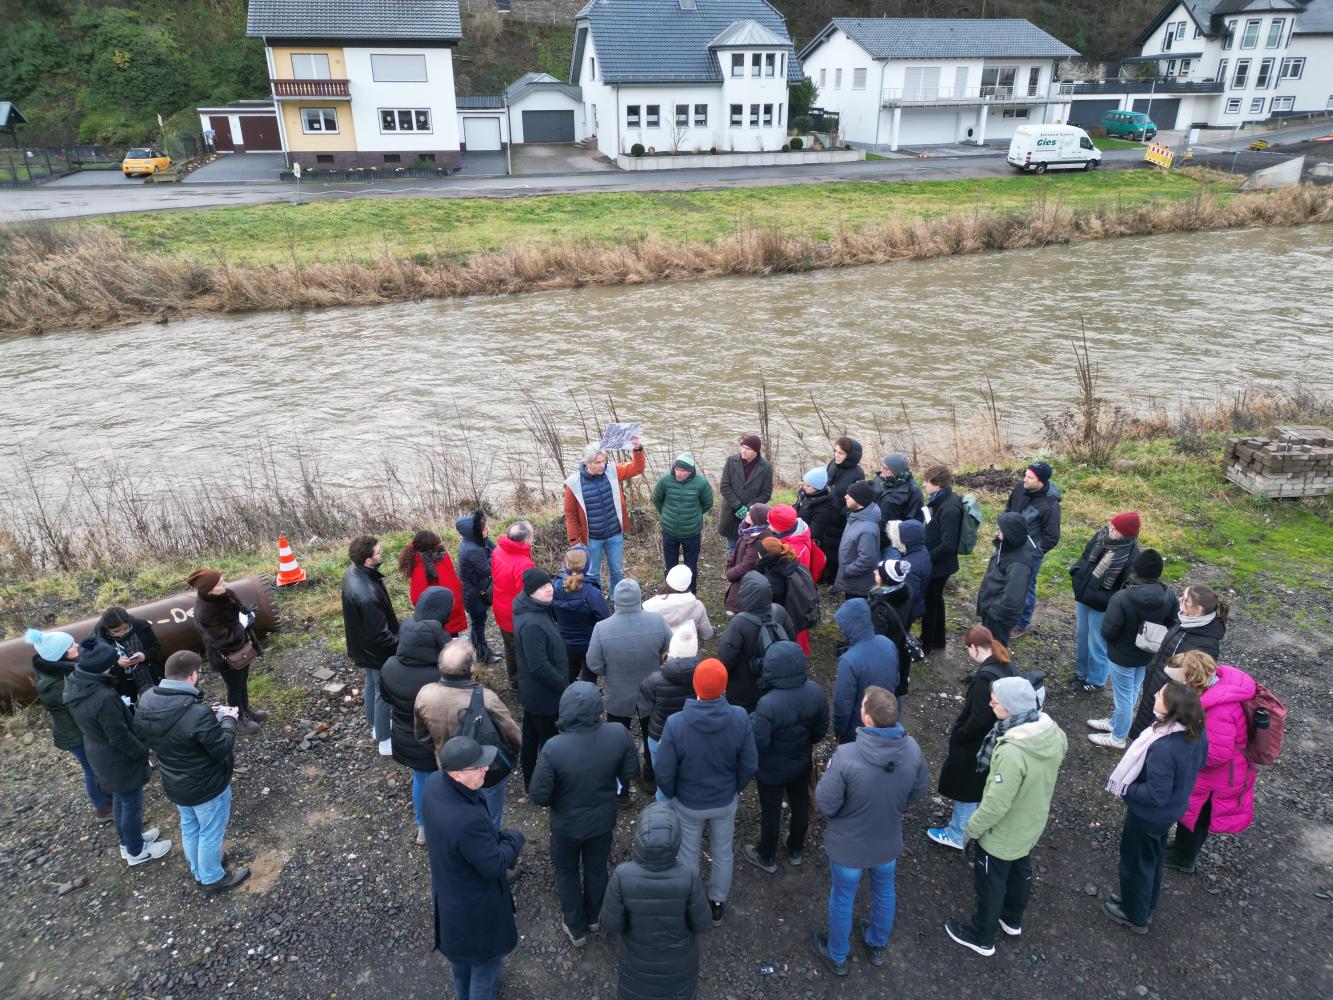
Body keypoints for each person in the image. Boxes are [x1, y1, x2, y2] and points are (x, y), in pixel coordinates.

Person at [945, 676, 1067, 957]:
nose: (990, 703)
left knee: (991, 881)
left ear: (1012, 708)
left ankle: (981, 936)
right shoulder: (1053, 733)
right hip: (1031, 821)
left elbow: (996, 805)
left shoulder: (1013, 752)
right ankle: (1011, 920)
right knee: (1020, 869)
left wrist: (971, 830)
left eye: (996, 701)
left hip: (1003, 832)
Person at [810, 687, 928, 976]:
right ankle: (876, 943)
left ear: (868, 718)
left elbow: (825, 803)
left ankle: (837, 954)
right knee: (884, 892)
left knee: (842, 897)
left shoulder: (846, 756)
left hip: (848, 848)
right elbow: (918, 790)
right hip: (887, 842)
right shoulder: (912, 749)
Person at [529, 682, 639, 947]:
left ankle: (575, 926)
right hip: (602, 820)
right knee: (596, 867)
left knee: (566, 871)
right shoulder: (618, 734)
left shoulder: (554, 747)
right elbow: (631, 772)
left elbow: (539, 795)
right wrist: (614, 789)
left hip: (566, 825)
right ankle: (594, 916)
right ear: (598, 709)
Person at [134, 650, 250, 892]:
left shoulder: (146, 700)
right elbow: (221, 748)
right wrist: (228, 720)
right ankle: (212, 878)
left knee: (190, 825)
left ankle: (199, 869)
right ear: (194, 675)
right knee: (210, 832)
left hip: (175, 782)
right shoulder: (197, 714)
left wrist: (209, 716)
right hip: (206, 786)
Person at [654, 658, 757, 927]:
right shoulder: (739, 717)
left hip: (688, 802)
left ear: (695, 686)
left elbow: (663, 770)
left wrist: (674, 793)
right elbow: (749, 763)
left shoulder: (676, 723)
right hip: (724, 800)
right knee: (723, 851)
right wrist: (735, 787)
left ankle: (691, 903)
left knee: (688, 854)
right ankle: (717, 904)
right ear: (724, 688)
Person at [423, 736, 526, 1000]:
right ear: (457, 774)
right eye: (478, 767)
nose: (486, 769)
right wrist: (514, 838)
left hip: (450, 902)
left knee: (461, 961)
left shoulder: (435, 785)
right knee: (486, 966)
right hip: (475, 911)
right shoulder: (466, 822)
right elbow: (495, 864)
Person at [1103, 682, 1207, 933]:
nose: (1154, 694)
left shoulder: (1163, 747)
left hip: (1149, 815)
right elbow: (1201, 762)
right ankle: (1142, 903)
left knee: (1136, 863)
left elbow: (1155, 795)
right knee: (1153, 858)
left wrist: (1127, 787)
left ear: (1171, 709)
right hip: (1171, 811)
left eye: (1160, 695)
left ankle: (1135, 915)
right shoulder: (1196, 732)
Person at [62, 637, 172, 867]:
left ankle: (128, 841)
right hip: (116, 758)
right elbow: (119, 735)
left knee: (122, 800)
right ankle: (136, 851)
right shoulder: (103, 697)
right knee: (131, 803)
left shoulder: (75, 681)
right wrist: (142, 752)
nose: (113, 665)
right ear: (101, 665)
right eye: (110, 662)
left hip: (99, 752)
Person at [599, 803, 713, 1000]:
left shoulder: (622, 875)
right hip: (679, 968)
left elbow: (612, 923)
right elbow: (702, 923)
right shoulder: (688, 877)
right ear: (677, 839)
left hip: (637, 965)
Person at [1162, 651, 1257, 874]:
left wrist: (1181, 752)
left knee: (1197, 819)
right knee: (1193, 815)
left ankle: (1184, 859)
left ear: (1191, 682)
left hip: (1218, 780)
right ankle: (1182, 849)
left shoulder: (1218, 710)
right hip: (1218, 776)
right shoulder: (1216, 689)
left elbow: (1215, 755)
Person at [415, 639, 521, 829]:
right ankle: (490, 844)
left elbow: (421, 737)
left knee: (458, 810)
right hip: (484, 771)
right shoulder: (487, 698)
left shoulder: (425, 694)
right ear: (472, 667)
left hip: (448, 768)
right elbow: (514, 736)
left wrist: (441, 750)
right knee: (490, 816)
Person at [743, 641, 828, 875]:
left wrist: (751, 721)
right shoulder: (816, 692)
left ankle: (767, 856)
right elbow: (820, 732)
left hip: (771, 769)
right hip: (800, 762)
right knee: (800, 802)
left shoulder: (767, 704)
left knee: (770, 810)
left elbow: (759, 741)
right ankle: (795, 849)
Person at [928, 626, 1015, 850]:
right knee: (979, 786)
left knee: (967, 788)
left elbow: (979, 719)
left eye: (967, 649)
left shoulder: (984, 679)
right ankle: (974, 824)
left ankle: (958, 834)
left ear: (974, 648)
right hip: (995, 742)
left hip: (976, 745)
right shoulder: (1004, 664)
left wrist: (960, 736)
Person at [380, 586, 453, 845]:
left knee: (419, 779)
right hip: (436, 740)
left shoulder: (389, 667)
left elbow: (387, 699)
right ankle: (442, 825)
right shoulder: (441, 674)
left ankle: (423, 827)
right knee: (440, 782)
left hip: (405, 735)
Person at [586, 579, 673, 794]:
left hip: (617, 694)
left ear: (615, 600)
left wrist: (611, 672)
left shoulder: (601, 628)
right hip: (652, 693)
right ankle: (651, 779)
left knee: (617, 743)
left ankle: (622, 791)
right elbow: (670, 650)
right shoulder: (658, 621)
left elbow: (594, 664)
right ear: (639, 598)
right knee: (652, 737)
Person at [1089, 550, 1179, 750]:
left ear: (1136, 570)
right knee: (1132, 691)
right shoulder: (1169, 595)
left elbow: (1108, 630)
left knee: (1123, 697)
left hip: (1122, 655)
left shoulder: (1122, 597)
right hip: (1148, 653)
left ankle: (1118, 737)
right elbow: (1173, 622)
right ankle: (1115, 722)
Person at [26, 628, 110, 822]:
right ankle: (103, 808)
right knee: (92, 769)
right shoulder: (59, 683)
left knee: (95, 767)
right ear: (60, 655)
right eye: (71, 645)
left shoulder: (54, 669)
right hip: (75, 733)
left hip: (74, 729)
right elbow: (82, 706)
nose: (77, 646)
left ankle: (106, 798)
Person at [1129, 584, 1227, 740]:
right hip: (1155, 686)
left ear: (1199, 609)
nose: (1180, 599)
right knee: (1143, 727)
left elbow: (1194, 683)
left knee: (1153, 737)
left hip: (1169, 700)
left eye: (1185, 599)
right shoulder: (1186, 620)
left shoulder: (1207, 644)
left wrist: (1167, 696)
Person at [1070, 512, 1142, 694]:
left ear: (1127, 534)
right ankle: (1081, 673)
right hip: (1085, 597)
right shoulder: (1101, 537)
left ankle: (1096, 680)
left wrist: (1107, 602)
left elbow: (1125, 590)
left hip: (1103, 606)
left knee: (1097, 643)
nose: (1110, 531)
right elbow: (1085, 556)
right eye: (1111, 526)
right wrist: (1077, 572)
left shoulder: (1132, 557)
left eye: (1115, 530)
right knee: (1082, 637)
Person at [563, 435, 646, 591]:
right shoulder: (573, 483)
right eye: (597, 462)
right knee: (593, 574)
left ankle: (617, 602)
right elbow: (570, 515)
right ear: (587, 463)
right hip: (592, 539)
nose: (602, 465)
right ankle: (595, 602)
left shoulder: (613, 471)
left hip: (614, 534)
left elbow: (638, 468)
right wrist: (574, 542)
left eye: (603, 461)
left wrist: (637, 449)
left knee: (617, 571)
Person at [339, 538, 399, 753]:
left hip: (362, 647)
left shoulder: (351, 573)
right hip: (376, 652)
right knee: (384, 692)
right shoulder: (368, 595)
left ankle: (375, 726)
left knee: (371, 685)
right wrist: (401, 645)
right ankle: (384, 740)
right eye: (378, 553)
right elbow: (381, 636)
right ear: (367, 560)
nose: (381, 554)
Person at [191, 568, 266, 736]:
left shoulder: (227, 594)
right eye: (219, 584)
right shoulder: (205, 612)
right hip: (226, 656)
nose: (225, 584)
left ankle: (246, 709)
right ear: (208, 590)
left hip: (242, 649)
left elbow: (239, 612)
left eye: (223, 581)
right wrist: (243, 625)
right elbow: (222, 638)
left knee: (243, 681)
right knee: (234, 687)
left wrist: (247, 614)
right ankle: (237, 718)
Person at [512, 568, 569, 791]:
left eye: (548, 584)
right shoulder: (532, 623)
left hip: (534, 693)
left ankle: (530, 781)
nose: (548, 589)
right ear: (530, 592)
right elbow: (539, 665)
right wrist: (563, 686)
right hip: (543, 696)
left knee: (531, 737)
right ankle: (546, 786)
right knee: (548, 742)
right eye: (541, 587)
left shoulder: (534, 608)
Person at [717, 570, 795, 712]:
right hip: (774, 683)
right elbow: (791, 641)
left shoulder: (739, 623)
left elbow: (725, 660)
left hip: (744, 691)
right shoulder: (780, 611)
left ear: (745, 593)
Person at [639, 622, 700, 796]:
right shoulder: (702, 675)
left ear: (672, 650)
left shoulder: (655, 679)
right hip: (692, 733)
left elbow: (646, 693)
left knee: (663, 780)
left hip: (660, 733)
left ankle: (665, 812)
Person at [1005, 460, 1062, 637]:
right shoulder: (1020, 488)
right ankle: (1006, 614)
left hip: (1029, 555)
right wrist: (1004, 526)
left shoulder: (1050, 505)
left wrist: (1034, 553)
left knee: (1026, 589)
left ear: (1041, 482)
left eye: (1030, 477)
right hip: (1008, 546)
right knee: (1006, 582)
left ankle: (1021, 623)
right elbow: (1009, 507)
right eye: (1025, 475)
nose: (1024, 479)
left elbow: (1052, 537)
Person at [831, 598, 898, 743]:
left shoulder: (849, 661)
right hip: (886, 717)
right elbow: (895, 680)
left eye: (842, 625)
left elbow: (843, 704)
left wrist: (839, 731)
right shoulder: (887, 643)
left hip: (859, 728)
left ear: (850, 625)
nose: (841, 629)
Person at [975, 512, 1038, 648]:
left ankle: (995, 668)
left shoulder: (1019, 564)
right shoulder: (1008, 545)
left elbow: (1012, 600)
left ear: (1011, 533)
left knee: (996, 648)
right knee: (990, 645)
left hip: (999, 617)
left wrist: (993, 613)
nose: (996, 532)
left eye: (1000, 530)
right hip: (993, 607)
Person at [652, 452, 714, 587]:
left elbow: (708, 503)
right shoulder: (665, 481)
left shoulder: (701, 483)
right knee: (670, 567)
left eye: (683, 470)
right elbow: (656, 499)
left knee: (690, 567)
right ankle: (669, 593)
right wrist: (665, 514)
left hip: (692, 533)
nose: (679, 473)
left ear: (691, 471)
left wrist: (694, 515)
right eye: (677, 469)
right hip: (669, 532)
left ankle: (690, 594)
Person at [552, 546, 612, 683]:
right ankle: (587, 700)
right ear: (587, 566)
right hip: (589, 644)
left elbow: (552, 613)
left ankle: (563, 698)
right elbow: (604, 619)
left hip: (564, 642)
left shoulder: (554, 587)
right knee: (589, 678)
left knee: (568, 673)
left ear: (566, 565)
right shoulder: (592, 593)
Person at [921, 465, 964, 653]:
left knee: (930, 603)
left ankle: (926, 644)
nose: (923, 485)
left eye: (927, 482)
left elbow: (948, 545)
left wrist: (926, 558)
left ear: (937, 485)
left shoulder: (949, 508)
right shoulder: (942, 499)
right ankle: (938, 640)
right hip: (938, 563)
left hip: (939, 566)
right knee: (936, 600)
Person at [492, 521, 536, 690]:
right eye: (532, 535)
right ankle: (522, 683)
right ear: (526, 540)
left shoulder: (498, 550)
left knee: (509, 648)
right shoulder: (524, 564)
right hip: (515, 614)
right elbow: (527, 595)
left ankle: (514, 681)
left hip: (500, 607)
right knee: (522, 649)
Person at [398, 529, 467, 635]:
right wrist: (438, 611)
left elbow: (452, 579)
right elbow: (418, 598)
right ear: (429, 548)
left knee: (453, 642)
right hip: (438, 619)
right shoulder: (420, 566)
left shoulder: (442, 556)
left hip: (452, 611)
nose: (440, 544)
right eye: (436, 543)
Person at [455, 510, 502, 664]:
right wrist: (491, 559)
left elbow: (495, 551)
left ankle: (481, 649)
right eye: (483, 528)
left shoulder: (472, 543)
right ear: (474, 532)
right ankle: (483, 655)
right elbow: (487, 571)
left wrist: (487, 543)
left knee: (479, 621)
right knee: (478, 623)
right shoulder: (473, 549)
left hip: (473, 590)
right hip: (474, 594)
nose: (487, 529)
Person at [754, 537, 814, 654]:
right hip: (793, 613)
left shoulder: (772, 580)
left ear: (764, 557)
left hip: (780, 619)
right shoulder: (789, 563)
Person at [93, 607, 163, 704]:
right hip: (126, 687)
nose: (122, 633)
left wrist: (145, 655)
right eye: (116, 631)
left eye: (126, 629)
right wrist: (117, 664)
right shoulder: (99, 642)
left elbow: (155, 646)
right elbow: (99, 669)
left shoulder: (140, 626)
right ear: (107, 629)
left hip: (149, 676)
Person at [718, 434, 773, 554]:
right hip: (731, 512)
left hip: (752, 515)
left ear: (756, 451)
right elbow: (724, 486)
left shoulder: (766, 467)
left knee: (749, 548)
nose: (743, 451)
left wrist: (748, 508)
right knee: (731, 547)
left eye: (748, 449)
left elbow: (766, 493)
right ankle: (731, 570)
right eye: (742, 447)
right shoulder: (731, 461)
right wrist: (738, 506)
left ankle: (745, 571)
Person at [867, 560, 914, 700]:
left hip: (886, 654)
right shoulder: (907, 589)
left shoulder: (881, 607)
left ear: (886, 578)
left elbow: (876, 640)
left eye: (878, 571)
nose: (874, 571)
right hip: (901, 647)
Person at [822, 437, 867, 584]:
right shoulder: (832, 464)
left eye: (840, 453)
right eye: (835, 451)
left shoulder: (858, 473)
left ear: (850, 455)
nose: (836, 455)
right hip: (825, 513)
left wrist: (840, 510)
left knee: (837, 551)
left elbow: (856, 499)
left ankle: (834, 580)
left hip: (840, 518)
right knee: (823, 546)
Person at [642, 564, 714, 645]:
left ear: (667, 581)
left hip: (657, 650)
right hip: (686, 650)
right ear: (689, 584)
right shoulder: (697, 606)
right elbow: (706, 634)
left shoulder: (650, 607)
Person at [836, 480, 881, 600]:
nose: (845, 496)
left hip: (858, 585)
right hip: (852, 580)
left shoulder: (867, 529)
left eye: (849, 495)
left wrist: (847, 571)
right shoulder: (856, 516)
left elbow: (866, 559)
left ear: (859, 500)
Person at [723, 503, 772, 613]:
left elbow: (747, 566)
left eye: (750, 513)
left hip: (745, 581)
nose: (747, 514)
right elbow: (736, 549)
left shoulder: (759, 540)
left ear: (757, 519)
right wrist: (730, 563)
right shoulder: (748, 530)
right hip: (738, 576)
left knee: (741, 609)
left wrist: (730, 573)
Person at [796, 468, 841, 584]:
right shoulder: (807, 495)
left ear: (817, 488)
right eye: (804, 484)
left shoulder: (823, 508)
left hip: (811, 540)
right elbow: (797, 508)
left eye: (808, 486)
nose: (804, 487)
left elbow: (813, 532)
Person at [767, 502, 827, 586]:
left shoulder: (795, 551)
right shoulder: (794, 528)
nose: (768, 524)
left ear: (781, 527)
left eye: (771, 523)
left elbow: (791, 580)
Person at [885, 519, 932, 624]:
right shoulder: (921, 549)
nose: (893, 544)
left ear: (906, 540)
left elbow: (908, 595)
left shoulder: (909, 566)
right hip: (917, 605)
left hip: (906, 612)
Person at [871, 453, 925, 539]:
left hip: (895, 541)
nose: (882, 471)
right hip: (876, 534)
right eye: (882, 467)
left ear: (896, 471)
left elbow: (914, 521)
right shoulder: (880, 480)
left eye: (886, 468)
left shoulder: (913, 491)